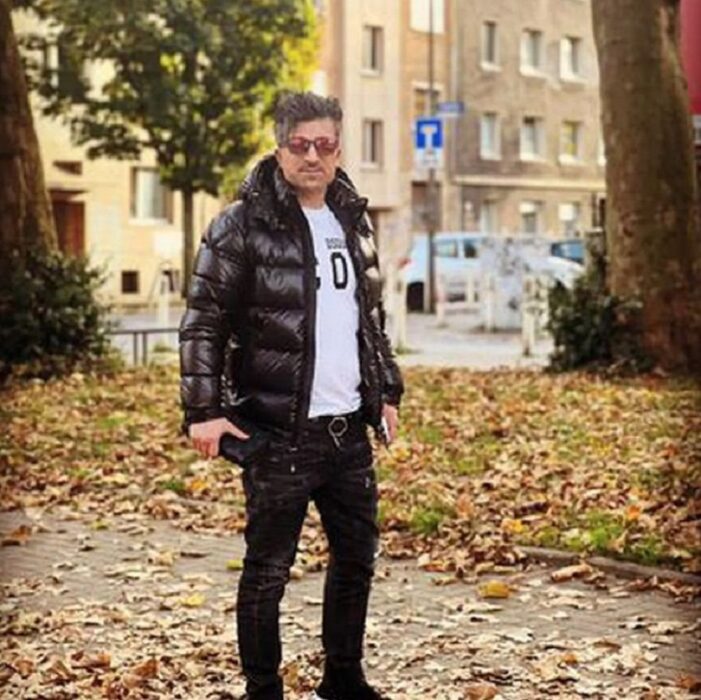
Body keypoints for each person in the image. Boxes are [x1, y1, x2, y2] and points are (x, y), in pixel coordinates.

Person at [179, 91, 404, 700]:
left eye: (325, 144)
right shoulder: (241, 223)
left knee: (357, 559)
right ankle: (263, 690)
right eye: (300, 144)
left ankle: (344, 679)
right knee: (268, 572)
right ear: (280, 147)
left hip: (346, 434)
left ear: (338, 148)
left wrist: (384, 391)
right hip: (277, 432)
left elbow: (370, 320)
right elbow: (204, 321)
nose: (312, 156)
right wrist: (204, 412)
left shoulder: (353, 219)